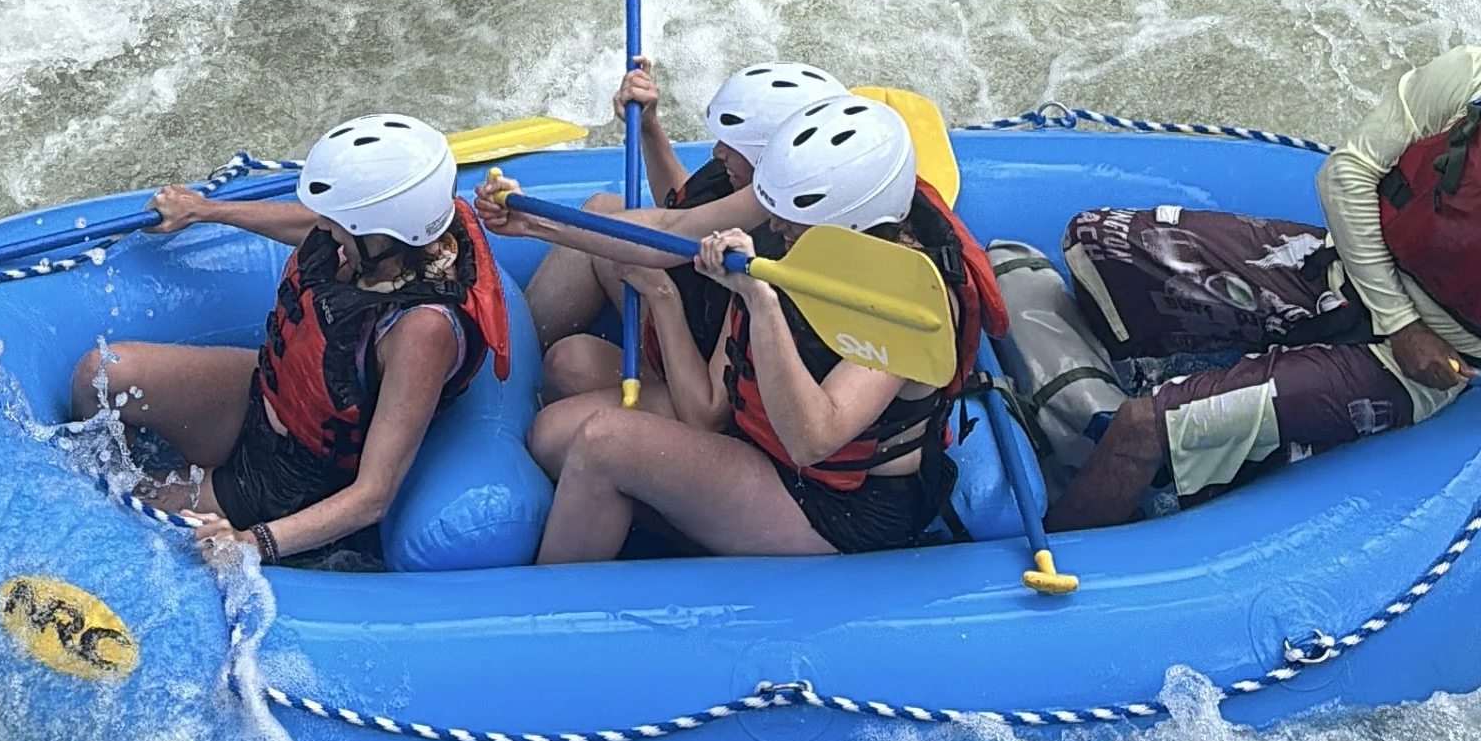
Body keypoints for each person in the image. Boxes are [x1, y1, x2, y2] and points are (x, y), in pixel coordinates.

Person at [1049, 35, 1481, 532]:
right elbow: (1345, 174)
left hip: (1420, 366)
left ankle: (1058, 551)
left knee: (1142, 427)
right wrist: (1399, 321)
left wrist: (1408, 333)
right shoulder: (1476, 77)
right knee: (1097, 240)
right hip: (1340, 271)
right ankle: (1103, 385)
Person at [484, 96, 1006, 562]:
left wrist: (760, 300)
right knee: (552, 438)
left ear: (849, 221)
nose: (774, 226)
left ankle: (548, 615)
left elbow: (811, 439)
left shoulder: (903, 298)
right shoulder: (806, 230)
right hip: (756, 435)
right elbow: (668, 237)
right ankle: (664, 534)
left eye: (790, 219)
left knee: (603, 442)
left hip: (837, 502)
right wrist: (533, 221)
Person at [70, 114, 509, 567]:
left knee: (115, 513)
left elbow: (373, 494)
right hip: (265, 395)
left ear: (383, 235)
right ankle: (139, 462)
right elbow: (317, 228)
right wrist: (207, 209)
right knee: (99, 377)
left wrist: (253, 543)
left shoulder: (422, 331)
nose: (327, 229)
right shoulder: (402, 231)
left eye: (339, 224)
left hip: (294, 477)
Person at [523, 60, 842, 409]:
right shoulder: (749, 182)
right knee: (602, 209)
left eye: (733, 146)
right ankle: (506, 360)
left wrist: (662, 295)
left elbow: (712, 410)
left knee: (571, 365)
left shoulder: (777, 252)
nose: (717, 151)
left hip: (701, 386)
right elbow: (684, 213)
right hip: (685, 327)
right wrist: (649, 127)